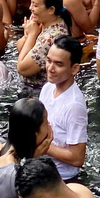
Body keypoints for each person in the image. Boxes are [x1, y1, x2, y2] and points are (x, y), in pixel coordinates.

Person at [38, 36, 88, 180]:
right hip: (43, 166)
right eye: (49, 61)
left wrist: (42, 144)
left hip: (62, 178)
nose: (50, 68)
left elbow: (77, 158)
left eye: (58, 64)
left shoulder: (74, 105)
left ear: (74, 69)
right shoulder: (47, 88)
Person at [16, 0, 71, 87]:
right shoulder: (42, 21)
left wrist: (32, 35)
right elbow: (19, 47)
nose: (30, 8)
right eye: (31, 3)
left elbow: (22, 68)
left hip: (37, 91)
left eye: (35, 5)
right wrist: (28, 34)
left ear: (51, 10)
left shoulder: (51, 38)